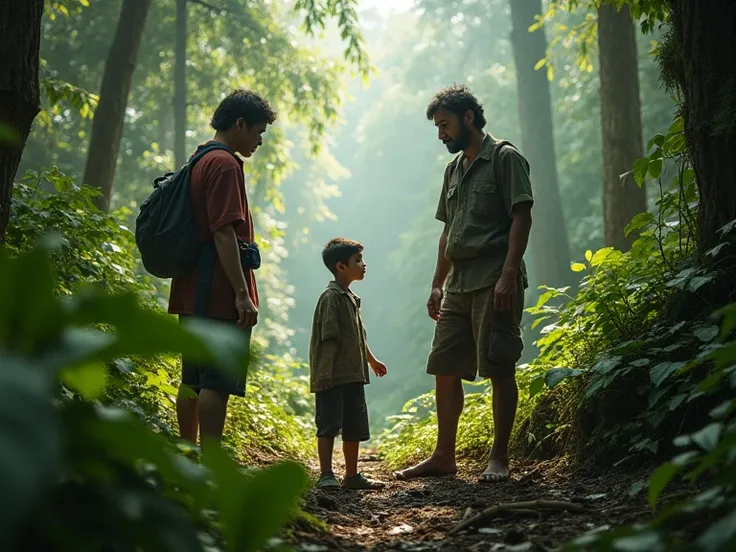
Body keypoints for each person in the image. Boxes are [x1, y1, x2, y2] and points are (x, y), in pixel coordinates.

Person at [394, 85, 534, 483]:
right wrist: (437, 283)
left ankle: (499, 458)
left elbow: (521, 217)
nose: (441, 134)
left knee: (498, 364)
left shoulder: (505, 158)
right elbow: (446, 231)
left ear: (468, 117)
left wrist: (509, 272)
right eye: (438, 127)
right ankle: (443, 457)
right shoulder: (452, 170)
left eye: (445, 124)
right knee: (444, 366)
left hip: (494, 278)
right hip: (457, 283)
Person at [168, 89, 276, 447]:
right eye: (258, 131)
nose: (260, 140)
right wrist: (242, 295)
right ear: (239, 123)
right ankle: (212, 464)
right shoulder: (226, 164)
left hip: (190, 289)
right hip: (217, 292)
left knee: (192, 378)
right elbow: (224, 232)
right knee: (215, 381)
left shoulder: (199, 159)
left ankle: (187, 454)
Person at [309, 238, 388, 489]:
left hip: (354, 374)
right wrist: (325, 374)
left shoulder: (351, 298)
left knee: (354, 425)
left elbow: (358, 338)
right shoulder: (331, 297)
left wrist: (372, 361)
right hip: (332, 375)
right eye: (358, 260)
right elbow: (329, 338)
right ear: (341, 266)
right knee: (329, 424)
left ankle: (352, 476)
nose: (364, 265)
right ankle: (326, 474)